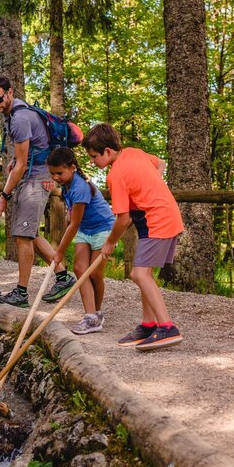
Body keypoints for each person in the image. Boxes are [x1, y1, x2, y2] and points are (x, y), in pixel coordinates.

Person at [85, 122, 185, 351]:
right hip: (166, 215)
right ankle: (148, 325)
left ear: (107, 151)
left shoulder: (116, 175)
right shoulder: (134, 153)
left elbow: (122, 218)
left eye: (93, 156)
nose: (92, 161)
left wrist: (109, 242)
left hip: (156, 220)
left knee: (138, 274)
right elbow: (160, 163)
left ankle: (167, 327)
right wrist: (152, 186)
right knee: (145, 273)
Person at [0, 74, 75, 308]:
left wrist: (4, 196)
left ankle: (22, 293)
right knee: (30, 231)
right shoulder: (17, 112)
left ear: (10, 92)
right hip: (36, 174)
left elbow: (23, 165)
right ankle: (64, 277)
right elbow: (25, 153)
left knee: (23, 236)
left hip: (36, 178)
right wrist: (15, 160)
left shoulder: (20, 119)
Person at [47, 147, 115, 335]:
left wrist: (59, 251)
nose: (55, 177)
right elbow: (74, 217)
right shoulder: (67, 186)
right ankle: (90, 316)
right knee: (79, 269)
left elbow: (74, 224)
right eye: (52, 173)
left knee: (94, 273)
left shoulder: (80, 187)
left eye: (59, 173)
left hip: (103, 229)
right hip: (86, 230)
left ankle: (97, 314)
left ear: (73, 167)